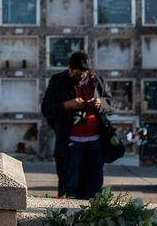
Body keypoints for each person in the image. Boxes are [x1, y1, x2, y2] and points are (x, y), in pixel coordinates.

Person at [41, 51, 112, 199]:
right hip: (71, 143)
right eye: (77, 72)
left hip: (95, 143)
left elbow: (110, 103)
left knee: (95, 185)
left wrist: (100, 103)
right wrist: (67, 105)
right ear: (70, 68)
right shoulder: (58, 81)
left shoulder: (98, 81)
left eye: (84, 72)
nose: (81, 75)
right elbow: (46, 109)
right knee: (69, 186)